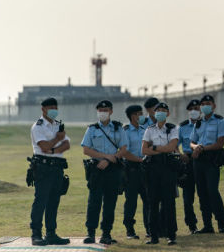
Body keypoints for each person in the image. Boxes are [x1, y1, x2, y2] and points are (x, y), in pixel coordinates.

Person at [81, 100, 128, 245]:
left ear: (111, 111)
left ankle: (106, 233)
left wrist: (109, 159)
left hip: (113, 169)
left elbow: (124, 149)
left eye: (105, 110)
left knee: (110, 202)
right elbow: (86, 150)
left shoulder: (118, 128)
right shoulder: (92, 129)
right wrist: (105, 156)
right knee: (93, 202)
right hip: (97, 169)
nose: (103, 113)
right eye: (100, 110)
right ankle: (90, 233)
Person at [29, 97, 71, 246]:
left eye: (55, 107)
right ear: (43, 109)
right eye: (50, 108)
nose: (53, 110)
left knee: (54, 201)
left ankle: (51, 234)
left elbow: (67, 144)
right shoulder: (38, 126)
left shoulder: (58, 125)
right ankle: (36, 234)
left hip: (57, 167)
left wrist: (53, 150)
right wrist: (57, 140)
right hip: (43, 167)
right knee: (41, 201)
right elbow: (44, 147)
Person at [190, 94, 224, 233]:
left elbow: (220, 144)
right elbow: (192, 142)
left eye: (208, 104)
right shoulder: (198, 122)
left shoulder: (220, 121)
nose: (205, 106)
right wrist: (196, 147)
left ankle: (222, 223)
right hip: (198, 160)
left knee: (212, 191)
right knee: (202, 193)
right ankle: (207, 225)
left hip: (212, 159)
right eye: (203, 104)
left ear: (214, 106)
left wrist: (202, 148)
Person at [142, 102, 179, 246]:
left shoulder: (173, 129)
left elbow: (172, 147)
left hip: (168, 168)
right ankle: (154, 236)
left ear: (168, 114)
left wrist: (155, 147)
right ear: (154, 113)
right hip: (152, 168)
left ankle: (171, 235)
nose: (160, 113)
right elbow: (144, 150)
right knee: (152, 203)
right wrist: (161, 149)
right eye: (158, 110)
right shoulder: (149, 129)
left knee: (169, 203)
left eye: (163, 110)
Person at [122, 105, 149, 239]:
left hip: (145, 168)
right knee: (131, 201)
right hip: (131, 168)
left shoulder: (145, 130)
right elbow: (124, 152)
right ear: (133, 116)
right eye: (139, 113)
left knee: (148, 199)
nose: (142, 116)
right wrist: (139, 160)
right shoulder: (125, 131)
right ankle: (130, 230)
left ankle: (150, 229)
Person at [178, 99, 202, 234]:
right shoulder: (182, 127)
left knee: (205, 194)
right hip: (188, 161)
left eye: (196, 108)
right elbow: (175, 144)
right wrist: (181, 155)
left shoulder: (205, 124)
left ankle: (209, 223)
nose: (194, 111)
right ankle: (192, 225)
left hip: (203, 159)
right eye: (191, 109)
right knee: (188, 197)